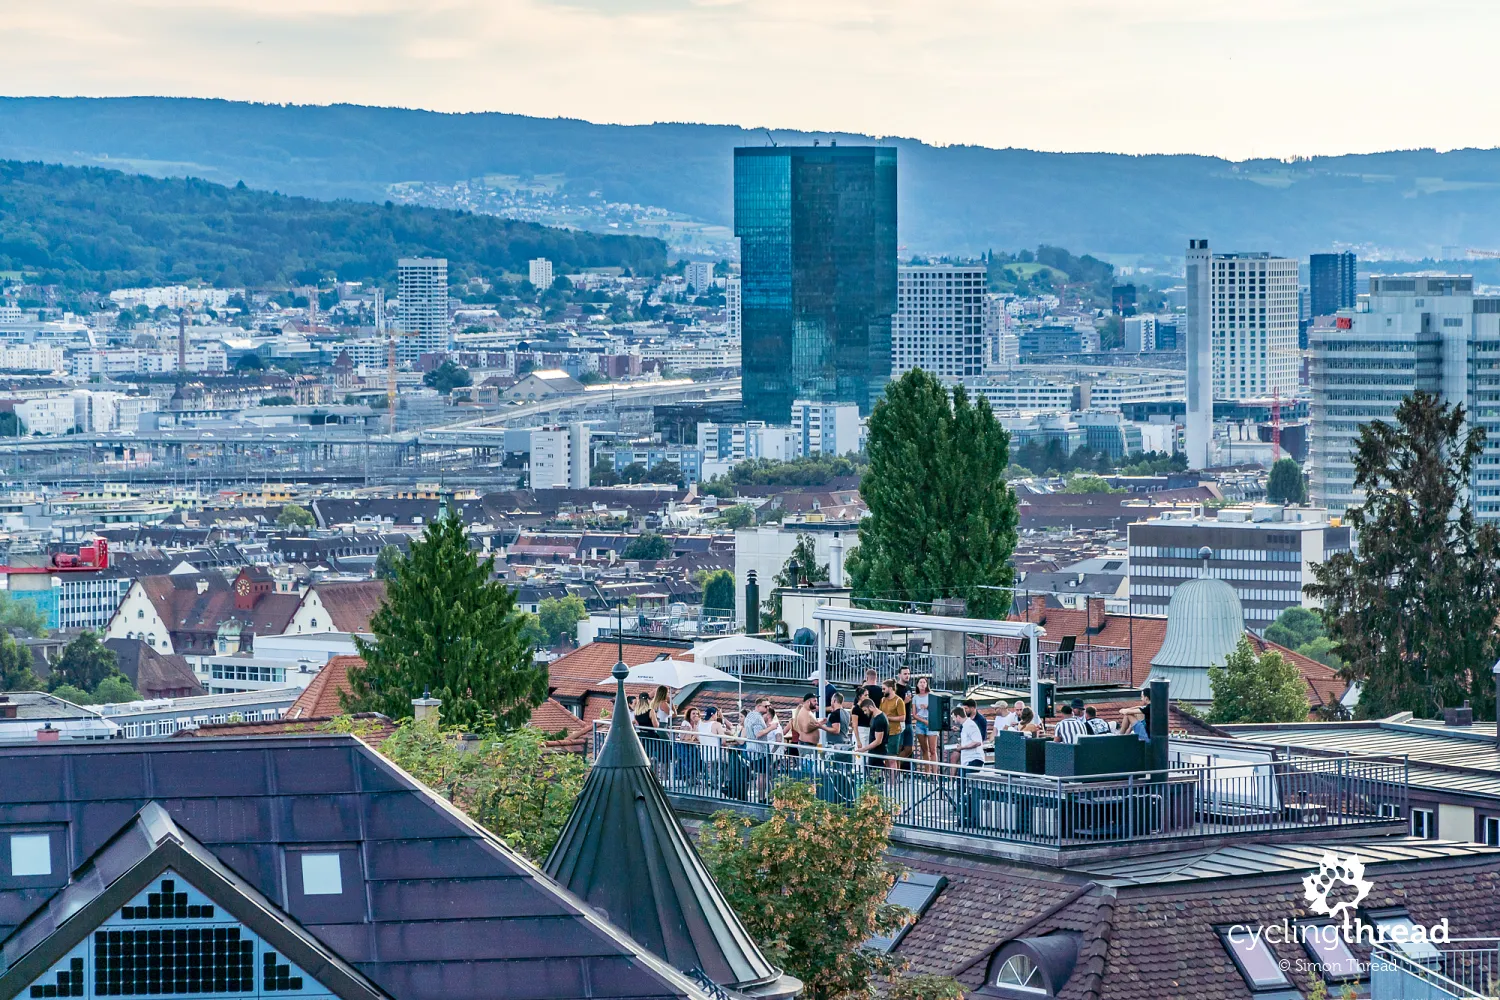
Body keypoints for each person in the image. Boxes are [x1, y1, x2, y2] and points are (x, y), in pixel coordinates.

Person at [854, 669, 884, 749]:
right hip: (877, 725)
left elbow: (854, 709)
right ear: (876, 678)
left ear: (866, 678)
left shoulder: (862, 691)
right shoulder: (881, 691)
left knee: (861, 753)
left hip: (862, 726)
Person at [856, 695, 889, 766]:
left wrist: (864, 749)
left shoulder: (879, 719)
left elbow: (878, 741)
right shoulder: (876, 717)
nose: (865, 713)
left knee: (875, 773)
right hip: (875, 753)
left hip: (878, 755)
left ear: (871, 707)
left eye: (865, 710)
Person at [911, 677, 936, 768]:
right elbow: (914, 714)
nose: (922, 684)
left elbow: (936, 709)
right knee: (924, 749)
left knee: (933, 750)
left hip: (931, 721)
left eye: (924, 682)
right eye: (920, 682)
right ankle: (927, 771)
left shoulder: (931, 695)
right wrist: (923, 721)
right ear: (917, 685)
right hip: (920, 721)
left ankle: (935, 773)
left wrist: (927, 707)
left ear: (927, 684)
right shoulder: (915, 697)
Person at [879, 679, 906, 760]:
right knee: (885, 757)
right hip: (884, 732)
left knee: (892, 757)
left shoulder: (898, 701)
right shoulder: (883, 700)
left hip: (894, 732)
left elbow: (902, 717)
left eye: (884, 689)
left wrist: (889, 718)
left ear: (890, 688)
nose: (882, 691)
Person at [791, 691, 821, 759]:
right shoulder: (804, 712)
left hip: (810, 745)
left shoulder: (808, 712)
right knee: (807, 765)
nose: (816, 703)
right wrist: (818, 725)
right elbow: (806, 729)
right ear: (808, 702)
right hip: (807, 745)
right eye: (814, 701)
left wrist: (818, 724)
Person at [896, 666, 915, 763]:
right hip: (899, 722)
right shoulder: (896, 688)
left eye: (908, 674)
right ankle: (894, 768)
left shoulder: (909, 688)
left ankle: (897, 764)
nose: (907, 676)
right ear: (899, 675)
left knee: (909, 748)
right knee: (898, 747)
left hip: (908, 721)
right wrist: (904, 702)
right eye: (905, 674)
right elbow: (894, 706)